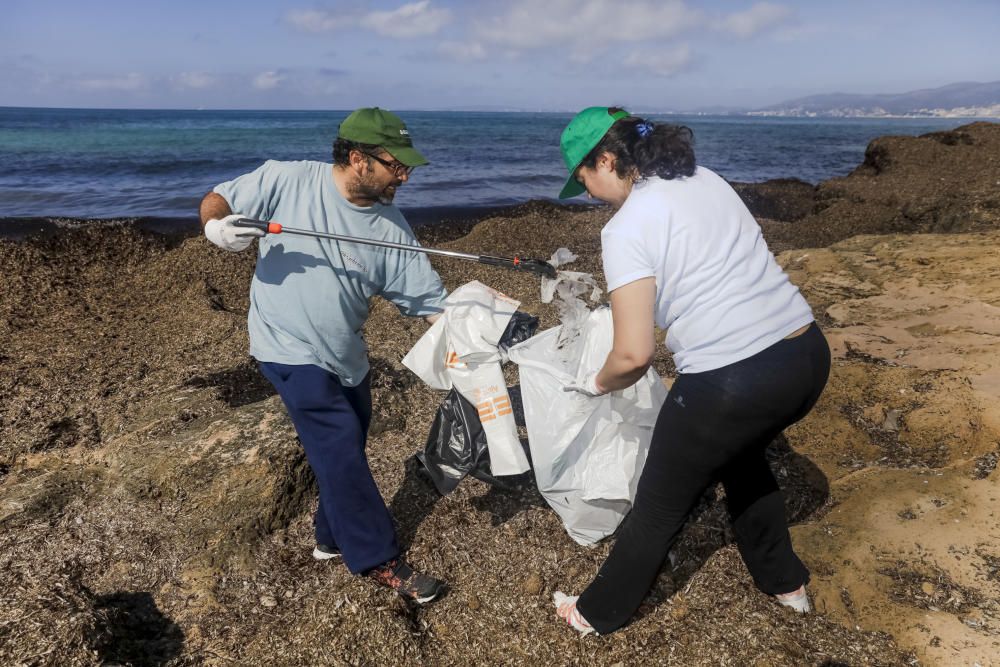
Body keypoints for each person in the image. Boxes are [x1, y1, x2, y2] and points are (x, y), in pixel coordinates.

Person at [552, 107, 831, 635]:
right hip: (806, 355)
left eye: (583, 177)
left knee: (658, 508)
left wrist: (593, 384)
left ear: (606, 160)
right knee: (742, 457)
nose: (585, 191)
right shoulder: (703, 178)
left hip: (734, 379)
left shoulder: (625, 228)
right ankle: (786, 584)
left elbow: (633, 356)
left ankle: (594, 614)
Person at [199, 107, 448, 604]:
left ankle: (329, 539)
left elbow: (430, 307)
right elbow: (217, 199)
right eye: (395, 164)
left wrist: (484, 333)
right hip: (283, 344)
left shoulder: (392, 229)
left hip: (346, 355)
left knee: (347, 444)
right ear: (358, 159)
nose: (405, 175)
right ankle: (378, 558)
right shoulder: (287, 179)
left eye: (407, 166)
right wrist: (216, 228)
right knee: (336, 441)